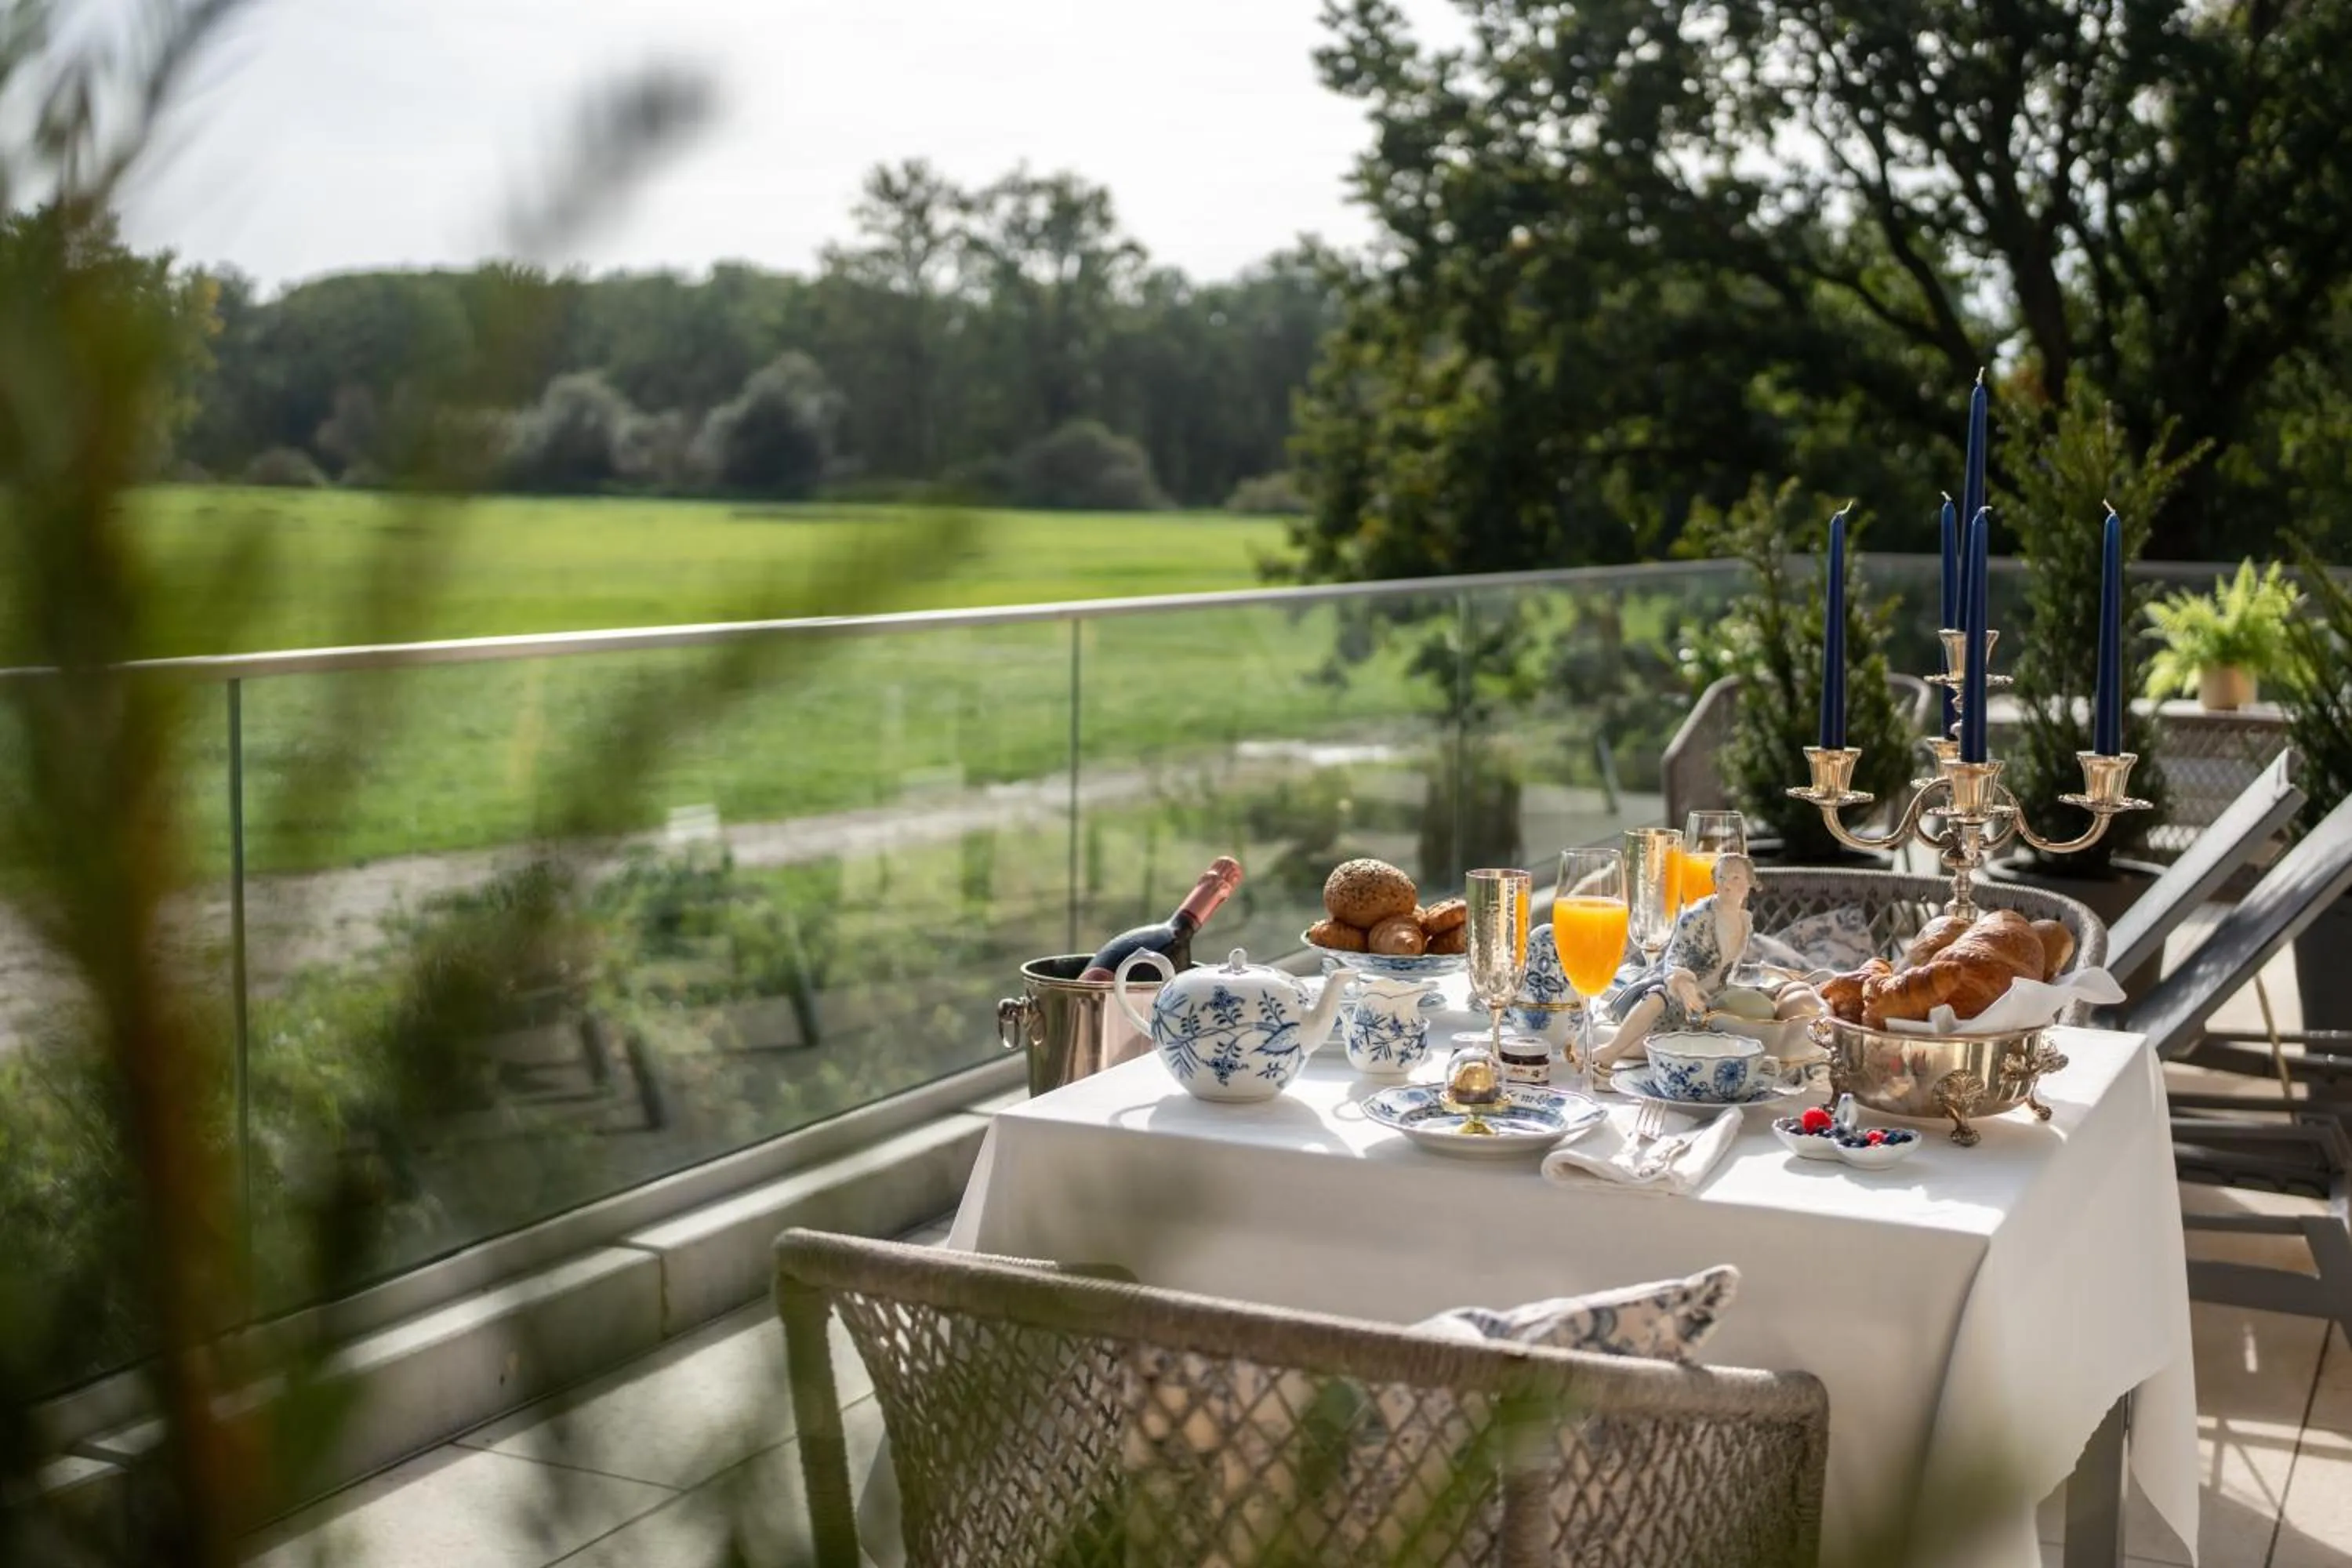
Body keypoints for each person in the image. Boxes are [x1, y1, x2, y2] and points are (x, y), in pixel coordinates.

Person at [1600, 851, 1755, 1066]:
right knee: (1658, 996)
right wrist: (1684, 985)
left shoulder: (1745, 922)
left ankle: (1622, 1050)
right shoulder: (1697, 915)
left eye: (1735, 878)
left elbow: (1733, 968)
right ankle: (1609, 1051)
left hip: (1713, 1002)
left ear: (1750, 884)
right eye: (1721, 877)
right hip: (1678, 993)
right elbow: (1675, 959)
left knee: (1695, 1041)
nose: (1727, 884)